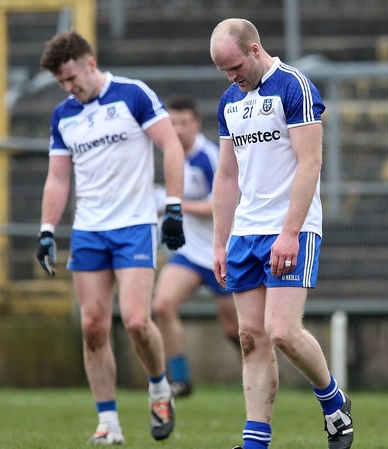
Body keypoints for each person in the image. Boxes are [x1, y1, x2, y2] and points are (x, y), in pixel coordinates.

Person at [209, 18, 353, 449]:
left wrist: (290, 233)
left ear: (254, 49)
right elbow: (227, 174)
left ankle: (333, 401)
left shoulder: (294, 86)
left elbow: (310, 163)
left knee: (283, 331)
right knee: (251, 338)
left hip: (291, 228)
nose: (232, 78)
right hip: (245, 234)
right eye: (223, 72)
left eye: (235, 66)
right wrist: (220, 241)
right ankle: (255, 443)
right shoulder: (230, 101)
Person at [36, 31, 185, 444]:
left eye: (71, 78)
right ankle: (109, 424)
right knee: (93, 327)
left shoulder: (132, 95)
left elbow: (171, 147)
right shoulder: (64, 115)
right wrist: (47, 230)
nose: (69, 88)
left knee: (137, 320)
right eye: (61, 83)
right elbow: (58, 178)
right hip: (89, 229)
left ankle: (158, 389)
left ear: (90, 62)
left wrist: (173, 207)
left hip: (135, 224)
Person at [152, 95, 239, 399]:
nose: (176, 129)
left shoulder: (209, 156)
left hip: (220, 250)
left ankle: (259, 375)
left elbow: (221, 204)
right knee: (162, 305)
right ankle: (181, 379)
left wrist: (175, 205)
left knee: (234, 330)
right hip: (190, 252)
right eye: (171, 123)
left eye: (183, 123)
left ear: (196, 124)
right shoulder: (171, 154)